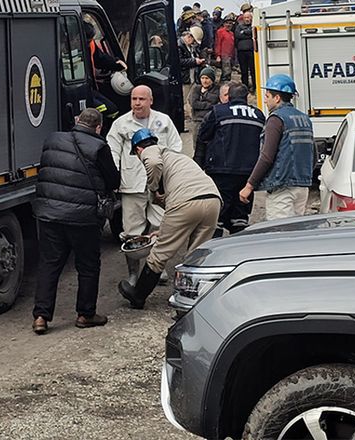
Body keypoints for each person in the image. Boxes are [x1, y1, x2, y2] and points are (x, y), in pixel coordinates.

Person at [32, 108, 118, 335]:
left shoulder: (53, 139)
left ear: (77, 121)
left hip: (50, 213)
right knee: (88, 266)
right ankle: (85, 314)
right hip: (83, 217)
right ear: (98, 127)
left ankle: (41, 317)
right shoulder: (99, 147)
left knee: (50, 264)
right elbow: (113, 180)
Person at [118, 129, 221, 309]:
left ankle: (138, 295)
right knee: (197, 254)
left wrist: (153, 187)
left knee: (160, 253)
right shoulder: (178, 158)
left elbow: (154, 163)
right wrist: (164, 229)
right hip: (212, 199)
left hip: (186, 202)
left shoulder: (150, 151)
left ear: (138, 149)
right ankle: (193, 297)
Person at [107, 86, 182, 240]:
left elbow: (176, 148)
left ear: (151, 101)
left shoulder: (164, 121)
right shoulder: (121, 124)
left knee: (165, 229)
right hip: (132, 185)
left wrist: (170, 177)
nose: (137, 103)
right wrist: (114, 178)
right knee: (132, 233)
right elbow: (112, 152)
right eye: (134, 99)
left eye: (142, 99)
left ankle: (155, 263)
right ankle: (133, 264)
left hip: (160, 186)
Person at [239, 75, 315, 221]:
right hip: (302, 187)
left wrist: (249, 185)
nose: (265, 100)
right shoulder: (305, 119)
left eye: (267, 96)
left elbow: (267, 157)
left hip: (282, 188)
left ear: (277, 98)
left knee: (280, 235)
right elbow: (313, 154)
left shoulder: (276, 119)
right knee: (295, 234)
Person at [199, 82, 265, 235]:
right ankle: (238, 249)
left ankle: (214, 251)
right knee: (240, 217)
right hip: (248, 174)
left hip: (221, 171)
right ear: (246, 97)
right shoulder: (258, 115)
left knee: (217, 217)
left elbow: (204, 135)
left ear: (228, 96)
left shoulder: (218, 111)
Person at [188, 66, 220, 166]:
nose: (204, 81)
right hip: (197, 121)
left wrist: (203, 101)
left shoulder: (217, 90)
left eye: (207, 78)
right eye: (203, 78)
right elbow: (194, 103)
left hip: (210, 121)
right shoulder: (196, 89)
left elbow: (215, 103)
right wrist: (208, 104)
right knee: (197, 145)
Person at [234, 10, 255, 90]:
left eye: (248, 17)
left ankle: (254, 86)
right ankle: (245, 86)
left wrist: (244, 32)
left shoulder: (253, 26)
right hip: (241, 52)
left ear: (251, 18)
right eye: (245, 17)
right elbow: (238, 35)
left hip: (251, 51)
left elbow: (253, 33)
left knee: (253, 70)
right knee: (244, 71)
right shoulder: (239, 26)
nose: (247, 19)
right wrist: (248, 34)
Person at [214, 13, 236, 82]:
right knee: (226, 73)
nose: (228, 25)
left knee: (229, 73)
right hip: (224, 55)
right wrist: (218, 55)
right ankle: (223, 86)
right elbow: (218, 43)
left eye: (230, 23)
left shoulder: (232, 33)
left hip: (230, 56)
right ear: (224, 24)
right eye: (227, 23)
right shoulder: (220, 32)